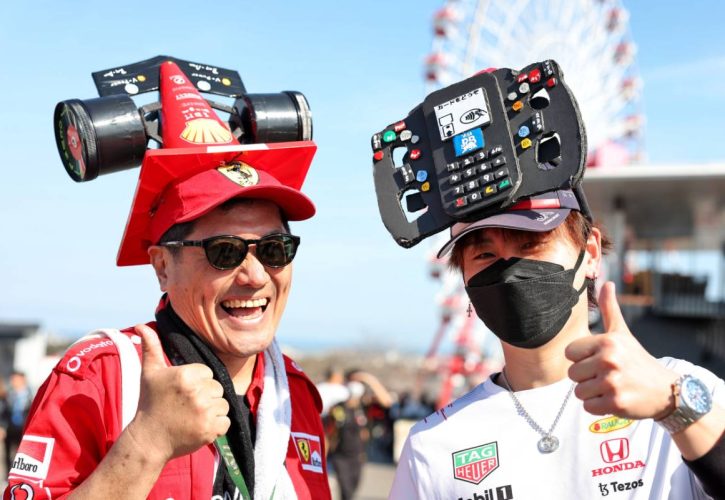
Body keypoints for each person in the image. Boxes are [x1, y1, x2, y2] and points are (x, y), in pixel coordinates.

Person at [4, 61, 331, 499]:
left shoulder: (296, 394)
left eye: (275, 249)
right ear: (162, 267)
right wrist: (148, 443)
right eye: (225, 252)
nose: (255, 276)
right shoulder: (100, 377)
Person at [389, 188, 724, 499]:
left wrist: (675, 407)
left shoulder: (688, 390)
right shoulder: (431, 445)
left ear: (590, 253)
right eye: (485, 254)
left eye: (531, 244)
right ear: (463, 275)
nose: (509, 271)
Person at [2, 372, 32, 479]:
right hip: (10, 428)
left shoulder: (31, 395)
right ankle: (8, 476)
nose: (13, 382)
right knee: (7, 454)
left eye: (15, 379)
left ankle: (20, 476)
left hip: (24, 429)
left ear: (22, 380)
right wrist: (2, 426)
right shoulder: (8, 395)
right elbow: (4, 413)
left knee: (22, 453)